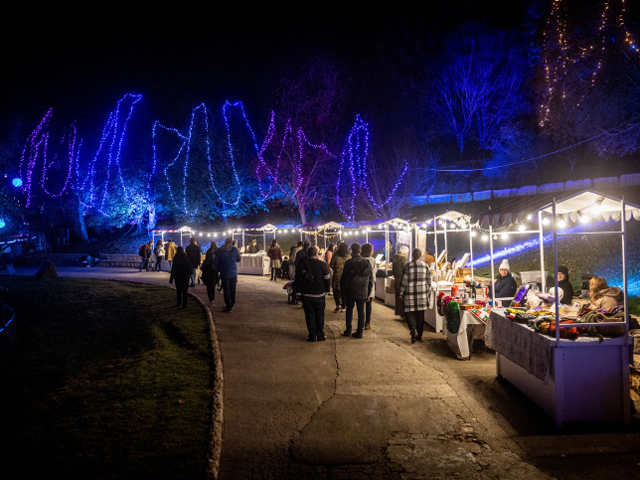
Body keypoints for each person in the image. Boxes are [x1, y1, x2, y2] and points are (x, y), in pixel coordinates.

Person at [294, 246, 332, 342]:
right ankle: (320, 335)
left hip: (306, 294)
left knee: (310, 315)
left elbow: (297, 279)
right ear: (316, 254)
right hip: (319, 294)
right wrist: (327, 290)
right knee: (320, 314)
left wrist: (297, 291)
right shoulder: (322, 265)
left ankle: (312, 336)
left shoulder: (302, 264)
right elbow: (328, 278)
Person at [340, 243, 373, 339]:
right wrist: (368, 292)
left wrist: (343, 292)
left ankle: (348, 330)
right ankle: (360, 332)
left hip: (350, 290)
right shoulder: (367, 263)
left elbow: (344, 279)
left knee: (349, 309)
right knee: (361, 311)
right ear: (360, 251)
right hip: (363, 291)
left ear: (351, 251)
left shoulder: (349, 263)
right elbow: (371, 279)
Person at [399, 248, 431, 343]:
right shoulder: (425, 266)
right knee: (420, 314)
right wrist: (427, 290)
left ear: (412, 256)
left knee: (409, 313)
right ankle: (419, 336)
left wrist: (401, 292)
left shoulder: (408, 266)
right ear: (421, 256)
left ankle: (413, 329)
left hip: (410, 294)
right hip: (422, 294)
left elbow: (404, 281)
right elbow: (429, 281)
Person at [216, 237, 242, 312]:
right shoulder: (234, 250)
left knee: (226, 290)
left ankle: (228, 305)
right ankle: (232, 304)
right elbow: (239, 259)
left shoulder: (221, 250)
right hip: (233, 272)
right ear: (231, 242)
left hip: (224, 272)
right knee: (232, 289)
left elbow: (217, 261)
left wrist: (218, 270)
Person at [330, 242, 351, 312]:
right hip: (346, 275)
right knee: (344, 291)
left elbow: (331, 265)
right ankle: (344, 306)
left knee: (336, 291)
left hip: (337, 275)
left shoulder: (336, 255)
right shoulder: (349, 256)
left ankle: (338, 304)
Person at [362, 242, 377, 330]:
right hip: (370, 284)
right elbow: (374, 272)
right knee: (368, 305)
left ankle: (361, 323)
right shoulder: (372, 260)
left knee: (360, 305)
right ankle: (367, 323)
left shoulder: (360, 259)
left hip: (361, 285)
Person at [392, 246, 409, 318]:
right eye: (407, 253)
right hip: (402, 280)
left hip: (396, 280)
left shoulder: (395, 257)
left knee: (398, 298)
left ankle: (399, 313)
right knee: (402, 298)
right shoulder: (403, 259)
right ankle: (403, 314)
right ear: (405, 253)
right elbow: (406, 270)